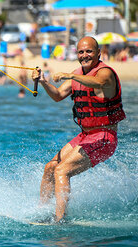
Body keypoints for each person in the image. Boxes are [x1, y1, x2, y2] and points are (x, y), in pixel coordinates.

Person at [32, 36, 126, 222]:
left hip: (104, 138)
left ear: (99, 53)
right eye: (81, 52)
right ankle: (42, 212)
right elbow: (58, 95)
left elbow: (98, 83)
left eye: (89, 51)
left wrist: (71, 75)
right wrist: (43, 81)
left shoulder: (105, 73)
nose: (85, 55)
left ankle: (59, 220)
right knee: (50, 167)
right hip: (86, 136)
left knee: (62, 171)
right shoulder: (77, 74)